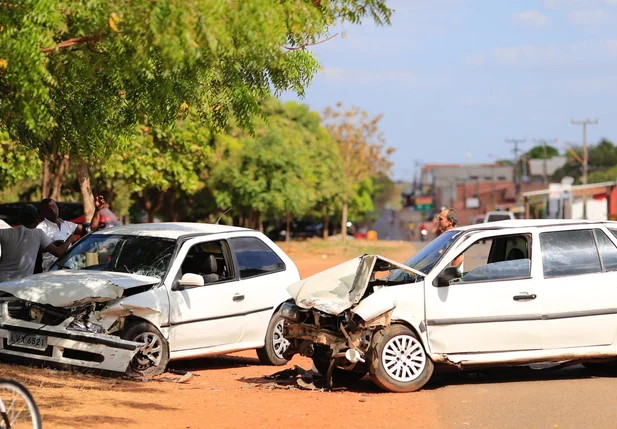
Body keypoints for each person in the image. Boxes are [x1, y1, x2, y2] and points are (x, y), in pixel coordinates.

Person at [0, 205, 77, 282]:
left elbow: (24, 247)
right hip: (21, 283)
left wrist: (51, 244)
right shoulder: (38, 234)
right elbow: (58, 252)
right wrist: (69, 239)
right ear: (37, 221)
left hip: (2, 280)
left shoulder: (4, 232)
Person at [37, 195, 106, 271]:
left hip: (70, 270)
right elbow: (44, 250)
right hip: (52, 271)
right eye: (48, 208)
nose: (52, 209)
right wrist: (69, 240)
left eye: (53, 206)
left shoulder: (67, 224)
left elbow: (91, 229)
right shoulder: (41, 228)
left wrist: (97, 210)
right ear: (43, 212)